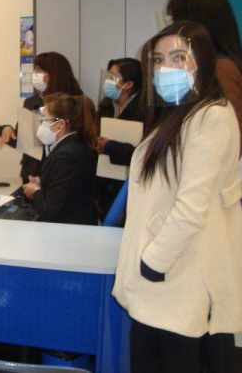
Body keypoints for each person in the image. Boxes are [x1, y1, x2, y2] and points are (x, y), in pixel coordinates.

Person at [112, 21, 242, 373]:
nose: (165, 68)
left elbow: (191, 207)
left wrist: (153, 261)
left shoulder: (211, 117)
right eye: (158, 60)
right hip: (166, 276)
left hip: (179, 274)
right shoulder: (177, 114)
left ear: (203, 61)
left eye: (179, 57)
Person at [167, 0, 242, 158]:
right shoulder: (215, 64)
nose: (172, 28)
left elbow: (230, 136)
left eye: (176, 20)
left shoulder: (220, 68)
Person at [0, 52, 84, 183]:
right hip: (32, 173)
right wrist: (6, 129)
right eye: (35, 69)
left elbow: (81, 140)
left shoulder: (72, 103)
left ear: (54, 74)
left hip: (61, 171)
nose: (35, 74)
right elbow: (23, 140)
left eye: (39, 70)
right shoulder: (31, 102)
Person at [22, 92, 98, 225]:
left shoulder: (67, 156)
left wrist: (35, 191)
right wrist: (41, 183)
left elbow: (50, 210)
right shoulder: (73, 145)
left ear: (61, 124)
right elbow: (63, 189)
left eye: (45, 120)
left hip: (69, 226)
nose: (41, 126)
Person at [95, 57, 144, 221]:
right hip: (106, 184)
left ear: (128, 84)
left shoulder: (141, 112)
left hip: (126, 187)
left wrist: (109, 146)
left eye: (113, 76)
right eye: (108, 75)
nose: (108, 81)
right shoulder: (107, 107)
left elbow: (140, 153)